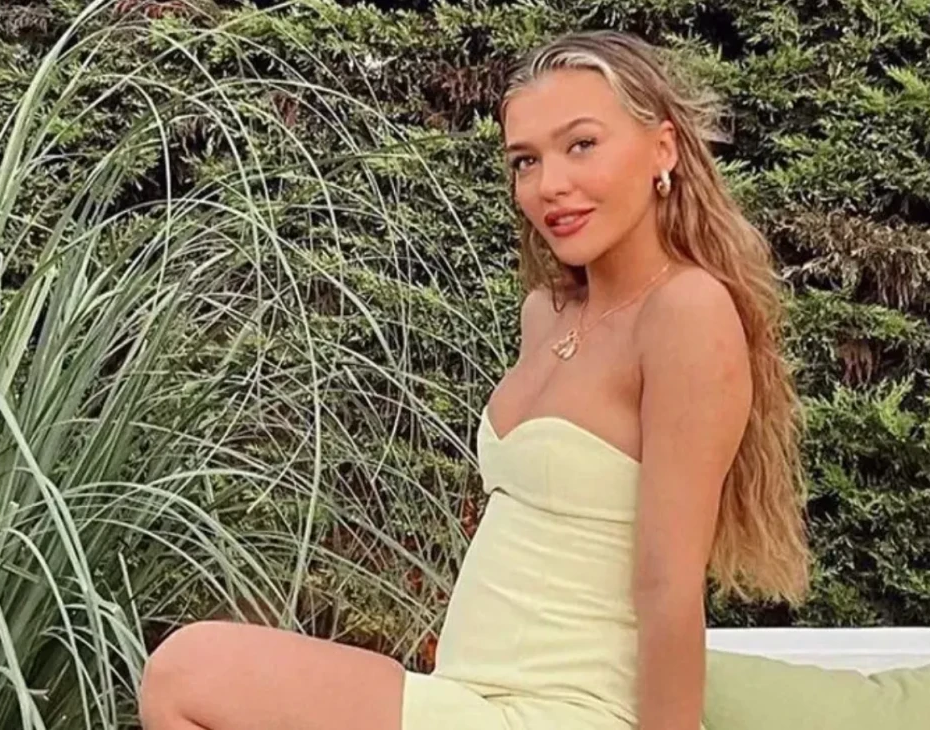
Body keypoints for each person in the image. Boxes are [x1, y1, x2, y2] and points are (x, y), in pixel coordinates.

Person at [138, 29, 811, 730]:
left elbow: (669, 585)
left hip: (569, 711)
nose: (550, 185)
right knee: (186, 674)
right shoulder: (546, 314)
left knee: (188, 671)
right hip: (469, 697)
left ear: (662, 149)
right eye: (526, 160)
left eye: (582, 144)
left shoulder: (685, 312)